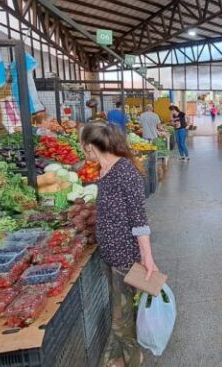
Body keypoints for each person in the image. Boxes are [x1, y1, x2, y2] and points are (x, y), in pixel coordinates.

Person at [80, 123, 159, 367]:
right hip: (110, 254)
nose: (82, 151)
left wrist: (147, 257)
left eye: (83, 147)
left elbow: (139, 219)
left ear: (91, 147)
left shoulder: (125, 172)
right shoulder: (104, 169)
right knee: (120, 311)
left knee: (120, 319)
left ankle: (133, 359)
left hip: (125, 256)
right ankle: (117, 357)